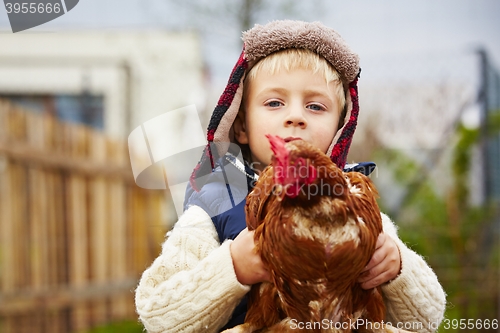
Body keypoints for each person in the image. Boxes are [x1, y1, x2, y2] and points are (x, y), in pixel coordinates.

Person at [135, 20, 446, 333]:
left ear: (339, 127)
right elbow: (159, 318)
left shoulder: (359, 205)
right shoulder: (214, 207)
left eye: (314, 106)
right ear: (241, 126)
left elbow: (427, 320)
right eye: (274, 102)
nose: (295, 116)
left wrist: (398, 269)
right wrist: (232, 268)